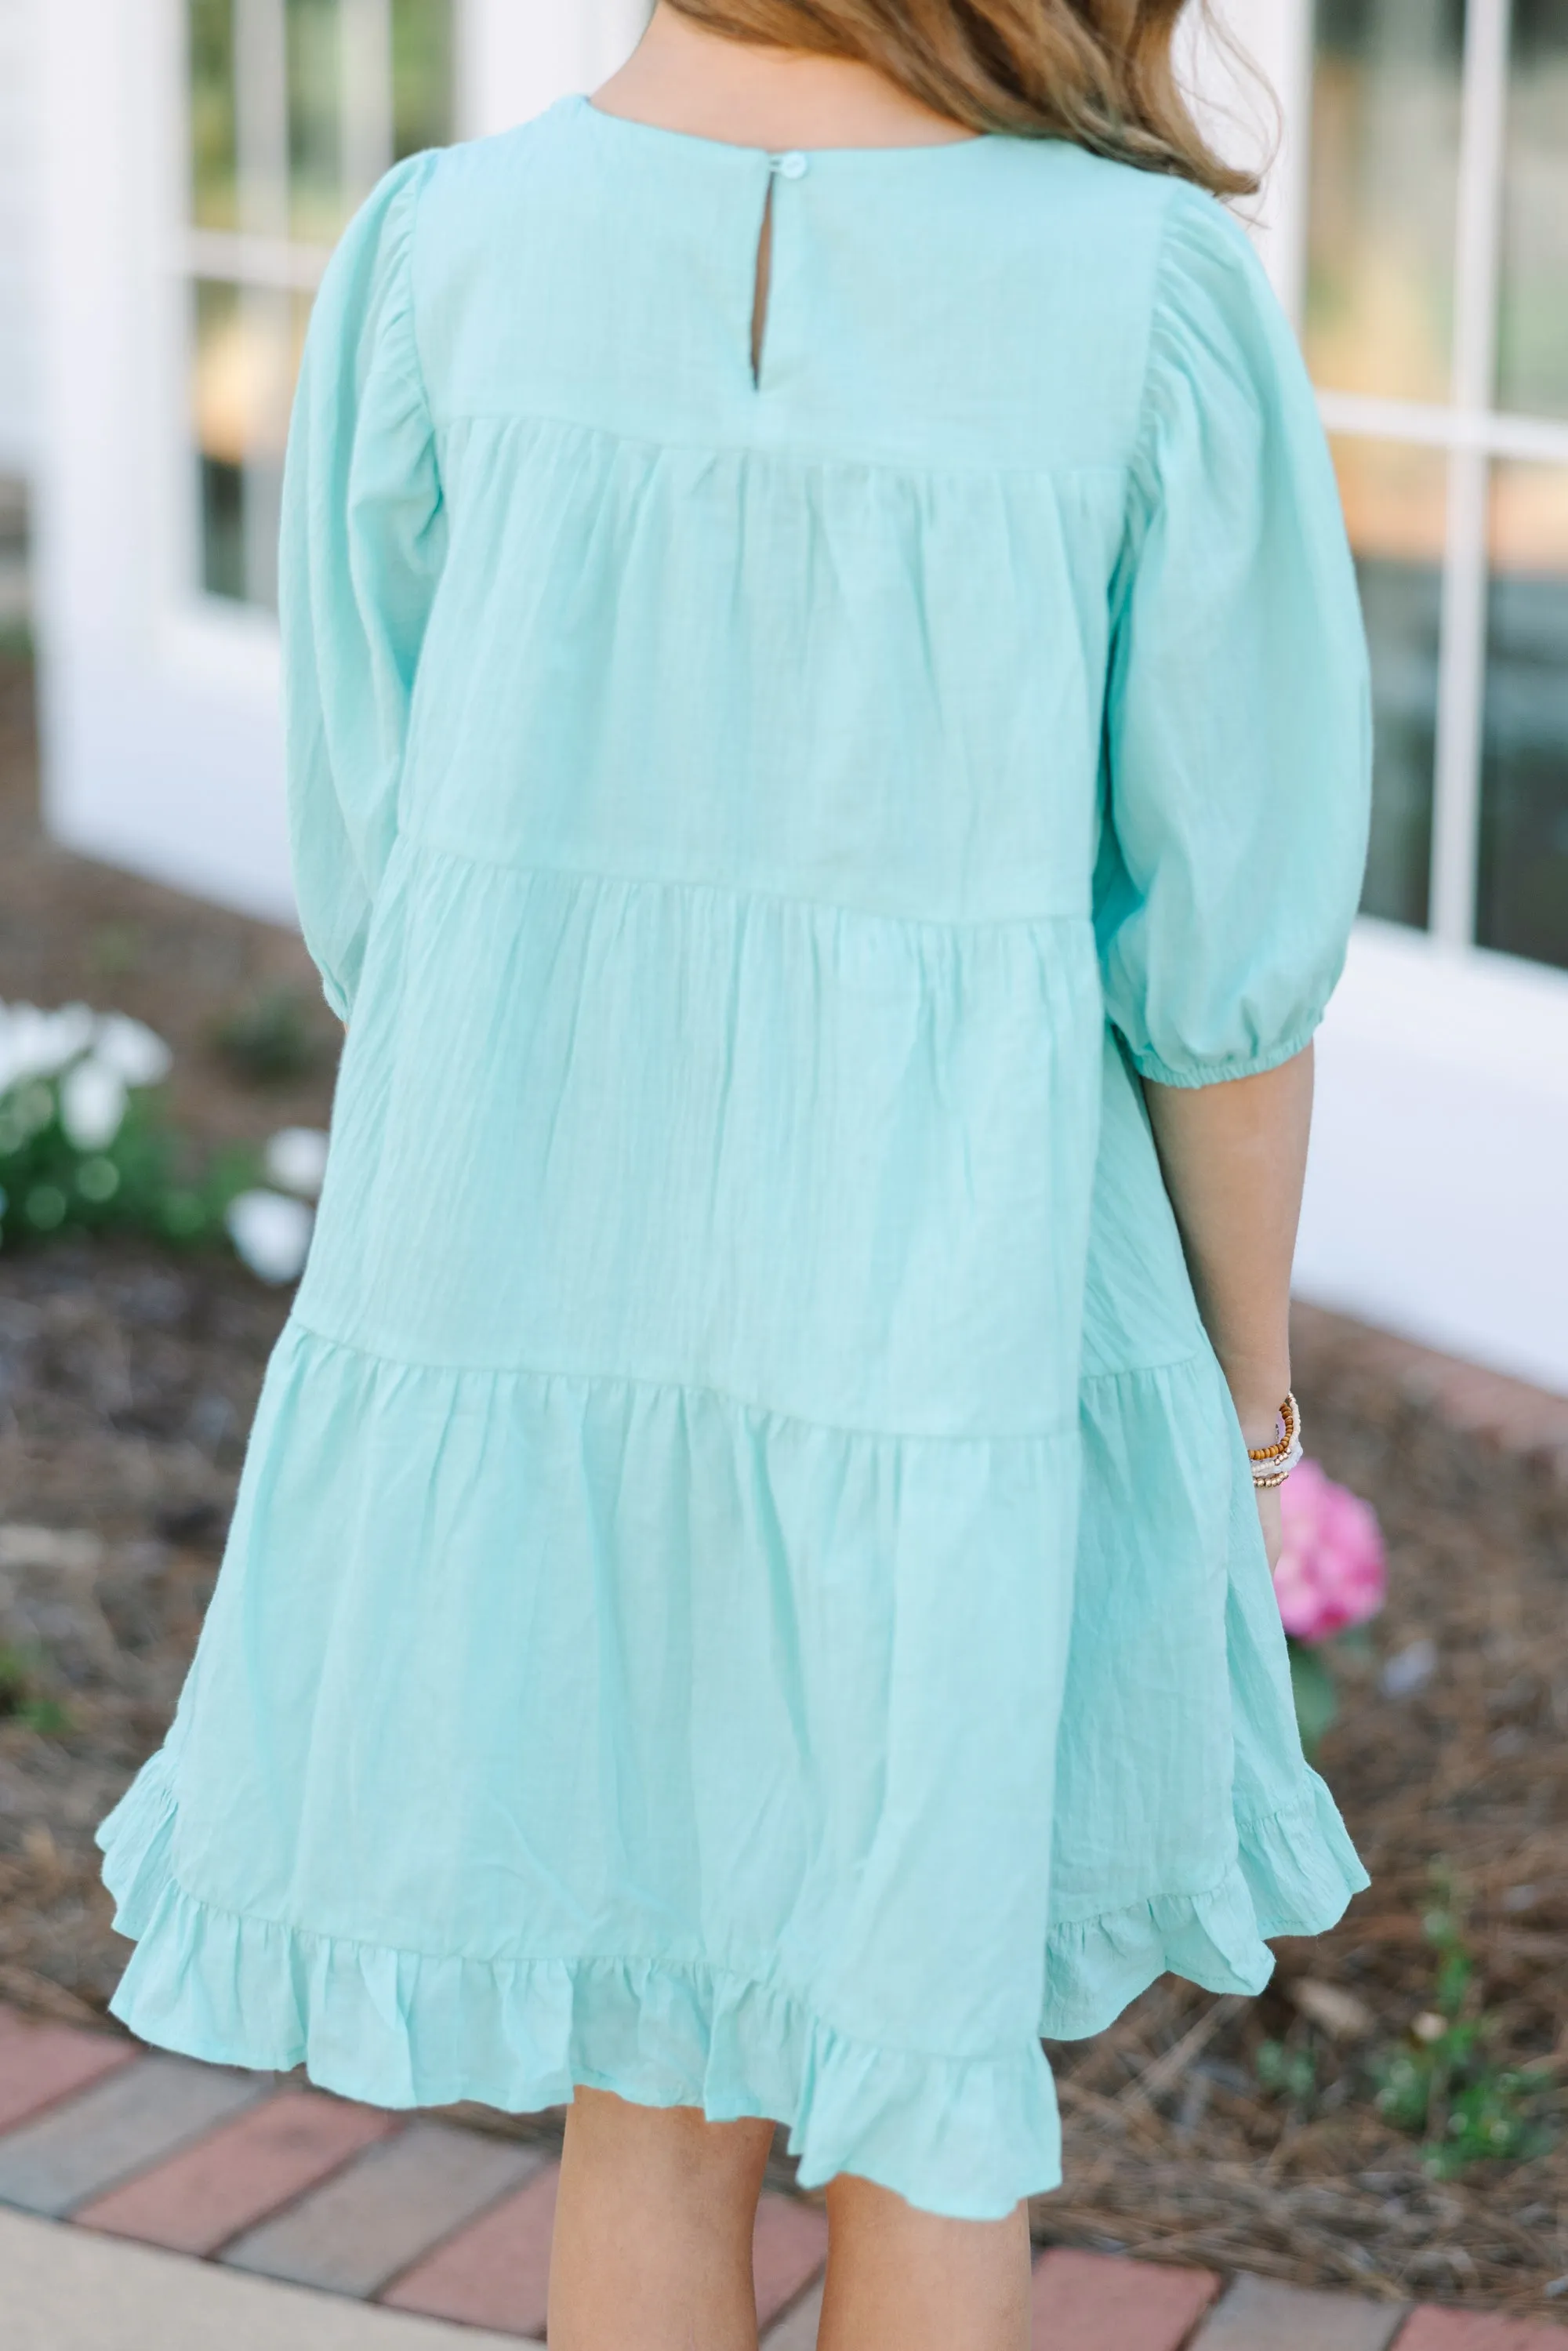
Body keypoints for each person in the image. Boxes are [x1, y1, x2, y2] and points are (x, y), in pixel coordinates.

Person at [95, 4, 1374, 2345]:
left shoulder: (445, 248)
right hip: (957, 1324)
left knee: (645, 2077)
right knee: (927, 2079)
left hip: (543, 1300)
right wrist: (1251, 1392)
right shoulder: (1141, 292)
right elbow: (1228, 971)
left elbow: (388, 880)